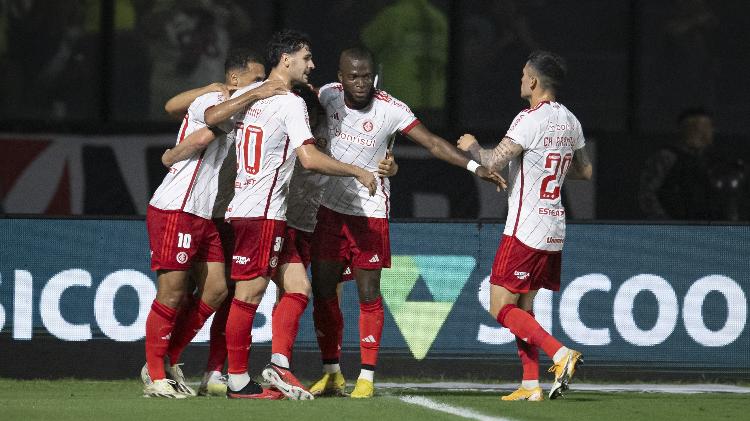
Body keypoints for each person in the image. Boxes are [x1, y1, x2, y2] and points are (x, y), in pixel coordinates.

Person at [309, 46, 504, 399]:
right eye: (353, 76)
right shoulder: (325, 96)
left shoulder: (391, 108)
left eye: (367, 76)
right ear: (340, 77)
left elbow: (432, 142)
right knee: (323, 292)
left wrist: (476, 168)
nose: (361, 83)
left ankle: (366, 377)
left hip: (369, 212)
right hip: (328, 209)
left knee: (368, 293)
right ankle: (332, 372)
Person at [212, 30, 377, 400]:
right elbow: (308, 157)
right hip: (262, 211)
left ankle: (279, 365)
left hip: (257, 210)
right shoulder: (288, 102)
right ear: (286, 59)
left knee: (298, 287)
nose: (312, 65)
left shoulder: (245, 96)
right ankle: (237, 380)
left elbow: (210, 115)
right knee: (250, 292)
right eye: (306, 57)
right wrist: (356, 170)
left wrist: (250, 93)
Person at [141, 48, 286, 399]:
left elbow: (180, 114)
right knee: (172, 292)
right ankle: (155, 375)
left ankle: (169, 358)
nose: (262, 86)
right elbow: (205, 126)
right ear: (234, 80)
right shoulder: (215, 99)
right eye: (255, 80)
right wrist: (173, 154)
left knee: (217, 290)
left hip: (203, 214)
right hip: (177, 207)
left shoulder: (236, 108)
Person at [457, 50, 591, 401]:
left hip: (525, 227)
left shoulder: (528, 119)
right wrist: (554, 163)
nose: (519, 81)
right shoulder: (571, 121)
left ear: (533, 81)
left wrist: (472, 146)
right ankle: (530, 384)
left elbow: (491, 160)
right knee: (524, 307)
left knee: (499, 305)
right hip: (554, 227)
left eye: (522, 75)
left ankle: (560, 354)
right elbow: (586, 171)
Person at [639, 108, 716, 220]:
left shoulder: (707, 159)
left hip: (702, 229)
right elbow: (647, 193)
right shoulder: (667, 157)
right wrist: (665, 224)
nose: (709, 132)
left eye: (708, 127)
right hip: (673, 229)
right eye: (701, 127)